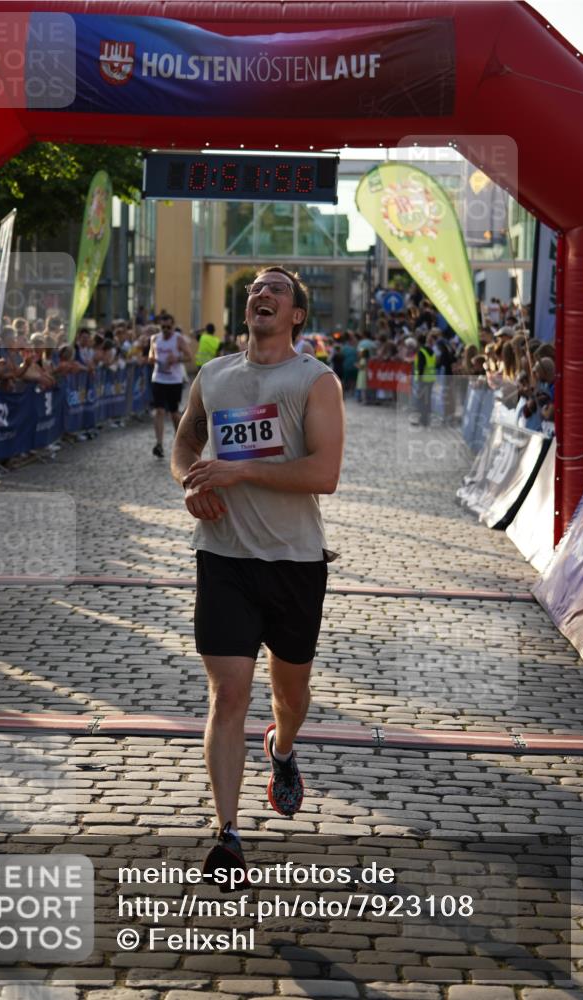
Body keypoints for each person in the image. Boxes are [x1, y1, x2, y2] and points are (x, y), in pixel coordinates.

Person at [171, 265, 344, 886]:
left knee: (289, 698)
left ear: (296, 314)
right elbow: (187, 448)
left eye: (276, 290)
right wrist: (191, 484)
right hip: (223, 558)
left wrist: (238, 472)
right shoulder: (214, 376)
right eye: (255, 289)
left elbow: (324, 474)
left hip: (295, 562)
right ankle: (228, 834)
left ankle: (283, 748)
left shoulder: (314, 381)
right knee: (229, 693)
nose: (261, 294)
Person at [148, 314, 191, 458]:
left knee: (174, 414)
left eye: (168, 327)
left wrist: (177, 358)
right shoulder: (154, 339)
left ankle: (180, 443)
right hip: (158, 379)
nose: (166, 330)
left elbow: (189, 356)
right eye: (163, 327)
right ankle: (159, 444)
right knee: (159, 411)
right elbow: (150, 355)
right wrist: (152, 358)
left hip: (174, 381)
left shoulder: (178, 339)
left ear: (172, 326)